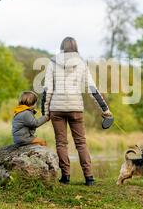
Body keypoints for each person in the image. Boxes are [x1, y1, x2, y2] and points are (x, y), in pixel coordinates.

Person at [42, 37, 113, 186]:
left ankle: (65, 177)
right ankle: (89, 178)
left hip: (57, 108)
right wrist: (105, 109)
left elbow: (47, 89)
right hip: (76, 108)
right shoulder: (81, 63)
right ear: (76, 47)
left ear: (62, 47)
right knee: (81, 143)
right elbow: (92, 88)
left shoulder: (53, 63)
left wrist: (45, 111)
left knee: (61, 143)